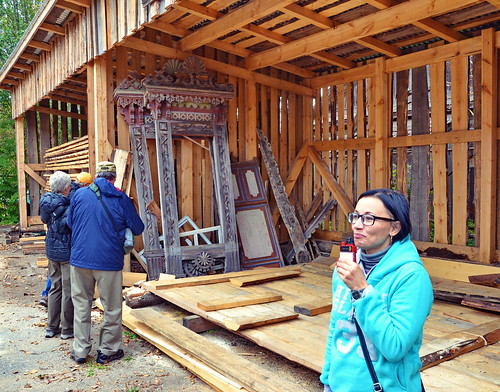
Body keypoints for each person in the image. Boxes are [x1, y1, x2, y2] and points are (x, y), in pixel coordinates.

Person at [321, 189, 433, 392]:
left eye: (369, 218)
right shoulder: (346, 269)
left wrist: (362, 291)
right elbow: (335, 329)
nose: (357, 224)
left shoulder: (411, 277)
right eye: (355, 216)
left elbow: (395, 347)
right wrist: (328, 380)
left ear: (394, 227)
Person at [67, 161, 144, 364]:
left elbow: (70, 223)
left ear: (97, 175)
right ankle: (108, 351)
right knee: (111, 307)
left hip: (80, 259)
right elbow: (137, 228)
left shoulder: (80, 195)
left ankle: (81, 350)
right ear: (114, 178)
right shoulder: (121, 198)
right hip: (108, 261)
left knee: (82, 304)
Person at [39, 171, 93, 307]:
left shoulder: (47, 200)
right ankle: (66, 326)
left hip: (51, 246)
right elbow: (70, 225)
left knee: (55, 284)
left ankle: (52, 323)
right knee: (67, 288)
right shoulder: (72, 200)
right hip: (66, 249)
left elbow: (45, 220)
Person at [40, 171, 74, 339]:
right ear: (67, 188)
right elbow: (70, 228)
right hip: (67, 253)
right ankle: (67, 329)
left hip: (52, 251)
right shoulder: (69, 205)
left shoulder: (46, 202)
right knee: (68, 290)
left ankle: (51, 327)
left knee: (54, 288)